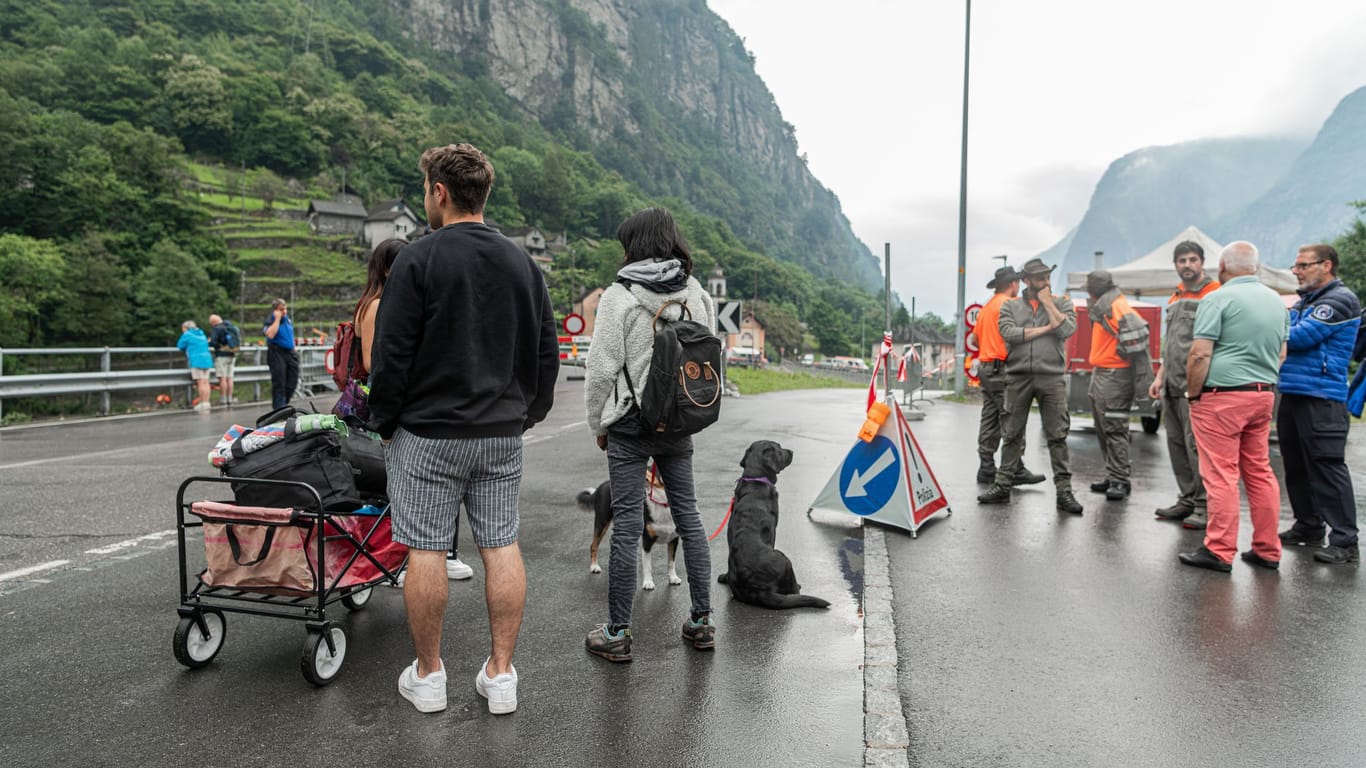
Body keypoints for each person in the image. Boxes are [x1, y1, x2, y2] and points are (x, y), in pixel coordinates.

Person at [367, 143, 558, 715]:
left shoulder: (417, 261)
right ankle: (501, 676)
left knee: (424, 548)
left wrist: (384, 422)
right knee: (501, 544)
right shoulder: (525, 264)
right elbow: (545, 356)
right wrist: (525, 415)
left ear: (440, 193)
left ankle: (429, 677)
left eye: (426, 189)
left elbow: (392, 357)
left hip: (428, 433)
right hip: (501, 432)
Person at [582, 207, 717, 663]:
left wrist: (598, 423)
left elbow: (600, 371)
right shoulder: (697, 295)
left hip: (630, 425)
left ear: (634, 246)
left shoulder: (619, 297)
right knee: (690, 517)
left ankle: (617, 632)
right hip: (679, 422)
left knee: (626, 524)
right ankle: (701, 623)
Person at [349, 238, 475, 582]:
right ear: (390, 267)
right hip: (391, 402)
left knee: (407, 484)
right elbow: (377, 363)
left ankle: (418, 557)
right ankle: (411, 560)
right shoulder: (378, 305)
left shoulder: (380, 301)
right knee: (409, 485)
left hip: (394, 401)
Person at [1178, 241, 1286, 573]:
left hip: (1221, 397)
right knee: (1259, 471)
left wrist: (1193, 394)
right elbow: (1281, 353)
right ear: (1256, 266)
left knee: (1220, 474)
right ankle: (1268, 548)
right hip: (1262, 394)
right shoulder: (1277, 302)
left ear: (1222, 267)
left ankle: (1220, 550)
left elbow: (1199, 353)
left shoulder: (1217, 298)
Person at [1276, 244, 1362, 564]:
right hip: (1294, 391)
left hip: (1322, 396)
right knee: (1296, 465)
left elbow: (1299, 338)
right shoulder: (1304, 302)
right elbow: (1288, 330)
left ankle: (1344, 541)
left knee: (1326, 468)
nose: (1296, 271)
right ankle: (1309, 526)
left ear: (1326, 265)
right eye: (1295, 265)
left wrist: (1279, 328)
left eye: (1303, 265)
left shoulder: (1339, 300)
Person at [977, 258, 1083, 514]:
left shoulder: (1062, 303)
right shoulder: (1010, 306)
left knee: (1057, 435)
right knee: (1011, 432)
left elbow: (1067, 329)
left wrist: (1048, 303)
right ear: (1025, 281)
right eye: (1039, 278)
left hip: (1052, 378)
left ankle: (1064, 492)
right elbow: (1009, 333)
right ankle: (1002, 485)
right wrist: (1048, 328)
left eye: (1047, 277)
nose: (1045, 282)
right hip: (1017, 376)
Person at [1147, 241, 1220, 527]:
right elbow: (1172, 346)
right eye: (1181, 261)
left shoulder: (1214, 294)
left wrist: (1199, 386)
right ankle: (1187, 499)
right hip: (1171, 385)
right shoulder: (1175, 296)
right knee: (1176, 445)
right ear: (1175, 265)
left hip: (1196, 386)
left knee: (1196, 447)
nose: (1187, 265)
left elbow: (1210, 344)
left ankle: (1203, 506)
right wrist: (1160, 376)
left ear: (1202, 262)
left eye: (1192, 260)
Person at [971, 265, 1045, 487]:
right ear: (1012, 284)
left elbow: (975, 341)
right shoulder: (1009, 306)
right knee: (1013, 417)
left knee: (991, 417)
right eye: (1018, 283)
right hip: (1002, 368)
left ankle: (986, 466)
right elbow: (1019, 336)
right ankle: (1016, 468)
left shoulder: (986, 307)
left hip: (986, 368)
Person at [1083, 269, 1152, 501]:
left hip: (1115, 376)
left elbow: (1138, 340)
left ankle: (1120, 479)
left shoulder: (1117, 306)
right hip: (1103, 374)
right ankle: (1113, 474)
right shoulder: (1109, 304)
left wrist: (1123, 357)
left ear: (1094, 291)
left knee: (1114, 428)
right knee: (1104, 428)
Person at [263, 298, 299, 409]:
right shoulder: (272, 320)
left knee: (292, 380)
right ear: (276, 310)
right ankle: (279, 408)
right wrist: (277, 318)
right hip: (277, 352)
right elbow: (270, 334)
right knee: (279, 382)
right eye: (281, 309)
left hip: (290, 352)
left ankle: (284, 404)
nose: (284, 311)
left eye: (285, 308)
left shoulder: (288, 320)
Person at [176, 320, 214, 412]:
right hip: (207, 360)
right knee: (206, 382)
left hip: (197, 360)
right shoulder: (201, 333)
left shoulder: (187, 335)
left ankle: (203, 403)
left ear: (186, 328)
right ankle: (207, 402)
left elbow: (180, 345)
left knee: (200, 382)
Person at [207, 314, 239, 406]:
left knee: (223, 379)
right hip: (232, 354)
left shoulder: (217, 328)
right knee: (230, 378)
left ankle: (223, 399)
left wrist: (209, 342)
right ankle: (230, 399)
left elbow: (213, 342)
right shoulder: (231, 327)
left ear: (214, 322)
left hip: (221, 355)